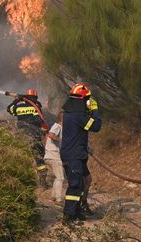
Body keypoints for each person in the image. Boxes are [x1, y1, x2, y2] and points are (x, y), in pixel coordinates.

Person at [60, 83, 102, 223]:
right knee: (75, 185)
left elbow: (78, 133)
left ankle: (78, 211)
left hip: (76, 154)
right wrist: (95, 109)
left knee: (85, 180)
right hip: (74, 156)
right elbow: (96, 126)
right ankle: (69, 216)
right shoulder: (78, 116)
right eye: (87, 99)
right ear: (83, 99)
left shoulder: (71, 114)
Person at [6, 89, 48, 184]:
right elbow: (39, 120)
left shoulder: (19, 107)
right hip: (34, 135)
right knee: (39, 157)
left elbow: (10, 109)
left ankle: (22, 180)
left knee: (22, 157)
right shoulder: (36, 107)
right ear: (35, 98)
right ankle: (43, 182)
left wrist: (16, 100)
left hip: (21, 135)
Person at [44, 111, 65, 204]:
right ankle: (59, 199)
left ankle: (53, 197)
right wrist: (62, 141)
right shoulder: (57, 126)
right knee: (60, 178)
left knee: (57, 177)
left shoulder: (59, 127)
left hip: (50, 156)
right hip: (54, 156)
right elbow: (51, 135)